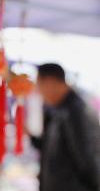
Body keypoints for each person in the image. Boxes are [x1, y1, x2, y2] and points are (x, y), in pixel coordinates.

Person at [31, 63, 100, 191]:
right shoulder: (60, 109)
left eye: (39, 85)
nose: (39, 91)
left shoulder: (76, 111)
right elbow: (49, 147)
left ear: (50, 82)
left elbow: (87, 159)